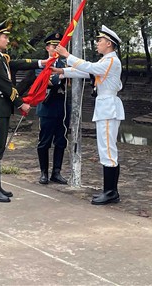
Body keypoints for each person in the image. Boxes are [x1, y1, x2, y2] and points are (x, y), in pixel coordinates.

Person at [53, 25, 124, 205]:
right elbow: (86, 71)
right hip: (105, 107)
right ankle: (110, 191)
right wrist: (63, 71)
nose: (97, 43)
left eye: (100, 40)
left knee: (108, 150)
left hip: (108, 108)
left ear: (109, 43)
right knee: (106, 149)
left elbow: (90, 67)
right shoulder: (106, 61)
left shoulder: (111, 61)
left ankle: (110, 192)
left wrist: (67, 56)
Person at [0, 20, 44, 203]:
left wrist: (41, 62)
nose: (7, 40)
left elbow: (18, 63)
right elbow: (6, 86)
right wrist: (20, 104)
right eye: (5, 37)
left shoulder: (1, 58)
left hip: (0, 108)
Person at [36, 31, 71, 185]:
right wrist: (62, 75)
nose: (56, 49)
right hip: (47, 107)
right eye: (53, 46)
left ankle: (56, 172)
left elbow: (69, 76)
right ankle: (43, 172)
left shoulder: (64, 64)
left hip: (62, 107)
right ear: (47, 48)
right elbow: (48, 81)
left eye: (59, 46)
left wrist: (61, 74)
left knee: (61, 141)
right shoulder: (42, 65)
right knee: (44, 142)